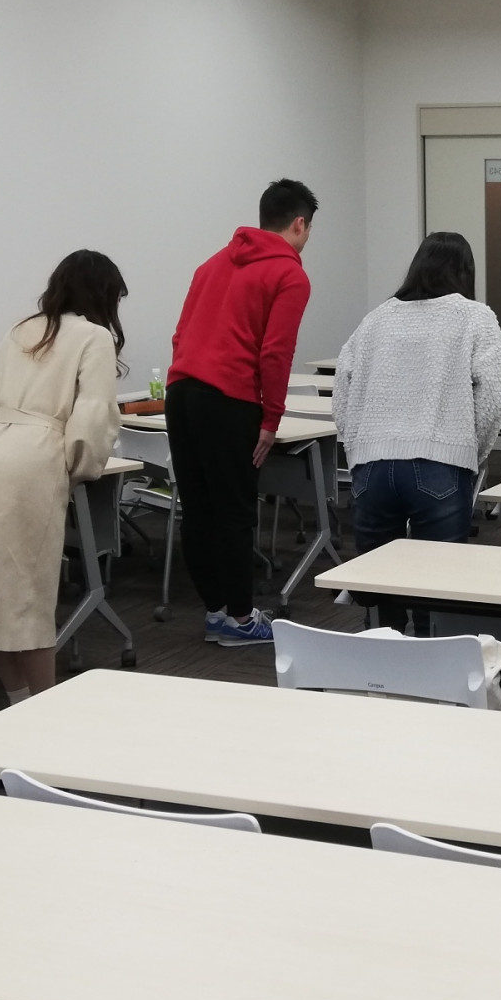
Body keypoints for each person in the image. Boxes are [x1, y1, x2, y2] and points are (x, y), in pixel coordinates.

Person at [0, 251, 125, 703]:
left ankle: (18, 701)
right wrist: (79, 469)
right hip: (32, 462)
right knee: (28, 600)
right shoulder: (95, 337)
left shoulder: (21, 329)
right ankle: (43, 711)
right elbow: (92, 416)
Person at [166, 178, 316, 648]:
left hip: (181, 393)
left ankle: (216, 612)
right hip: (229, 399)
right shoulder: (289, 274)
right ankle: (240, 618)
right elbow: (276, 352)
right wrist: (271, 418)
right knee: (234, 512)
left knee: (199, 510)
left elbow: (180, 335)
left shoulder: (210, 264)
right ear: (299, 224)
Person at [334, 232, 501, 560]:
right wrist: (471, 452)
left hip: (371, 466)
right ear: (467, 273)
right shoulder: (476, 316)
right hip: (442, 464)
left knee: (375, 578)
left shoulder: (375, 319)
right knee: (436, 579)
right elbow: (493, 399)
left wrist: (357, 448)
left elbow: (343, 392)